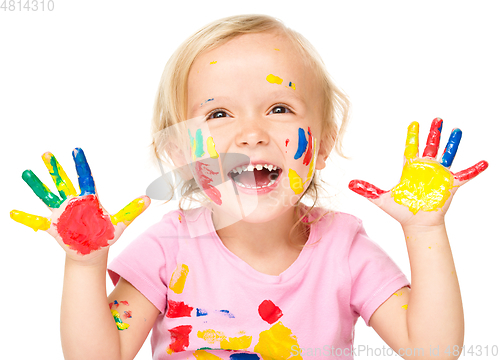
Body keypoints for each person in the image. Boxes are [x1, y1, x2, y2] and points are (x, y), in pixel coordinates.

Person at [10, 14, 488, 360]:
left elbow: (435, 350)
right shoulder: (166, 249)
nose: (251, 133)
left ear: (323, 145)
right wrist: (84, 265)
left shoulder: (343, 249)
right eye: (218, 114)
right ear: (180, 155)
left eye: (279, 108)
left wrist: (426, 231)